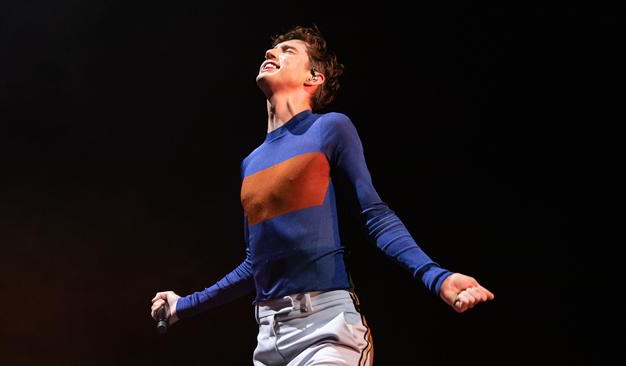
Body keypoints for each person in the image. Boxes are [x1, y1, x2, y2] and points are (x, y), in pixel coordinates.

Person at [151, 25, 494, 365]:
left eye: (288, 52)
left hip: (327, 331)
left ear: (313, 78)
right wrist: (185, 305)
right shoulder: (250, 163)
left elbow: (376, 215)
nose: (271, 54)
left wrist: (437, 277)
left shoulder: (329, 128)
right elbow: (257, 264)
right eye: (273, 50)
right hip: (268, 341)